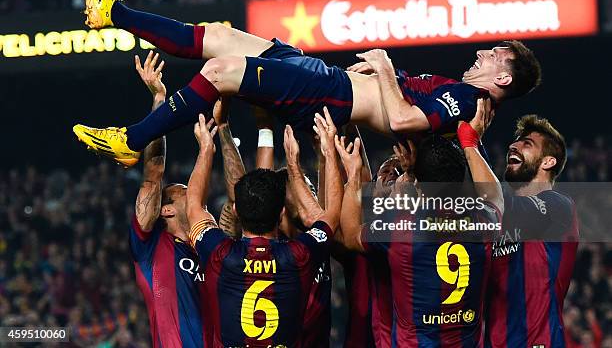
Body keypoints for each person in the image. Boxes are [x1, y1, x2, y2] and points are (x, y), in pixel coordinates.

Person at [73, 0, 541, 167]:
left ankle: (132, 140)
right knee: (219, 36)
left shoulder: (468, 98)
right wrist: (385, 75)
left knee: (218, 72)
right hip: (329, 80)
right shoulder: (466, 95)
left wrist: (382, 69)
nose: (483, 51)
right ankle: (110, 11)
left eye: (494, 53)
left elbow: (401, 122)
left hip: (329, 95)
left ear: (502, 74)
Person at [337, 98, 503, 346]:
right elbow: (493, 195)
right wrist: (469, 142)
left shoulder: (399, 228)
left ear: (420, 187)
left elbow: (350, 235)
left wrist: (353, 175)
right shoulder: (483, 221)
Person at [184, 110, 342, 347]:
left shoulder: (222, 254)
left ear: (236, 211)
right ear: (281, 213)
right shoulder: (302, 254)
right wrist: (327, 152)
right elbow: (331, 214)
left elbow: (194, 206)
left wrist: (206, 149)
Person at [127, 52, 207, 347]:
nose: (193, 193)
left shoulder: (210, 246)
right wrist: (160, 100)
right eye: (184, 190)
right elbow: (153, 172)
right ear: (167, 209)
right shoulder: (150, 248)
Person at [486, 115, 579, 348]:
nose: (513, 146)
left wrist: (471, 144)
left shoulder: (560, 207)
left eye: (527, 143)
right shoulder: (495, 219)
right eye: (516, 142)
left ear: (548, 162)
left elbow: (505, 205)